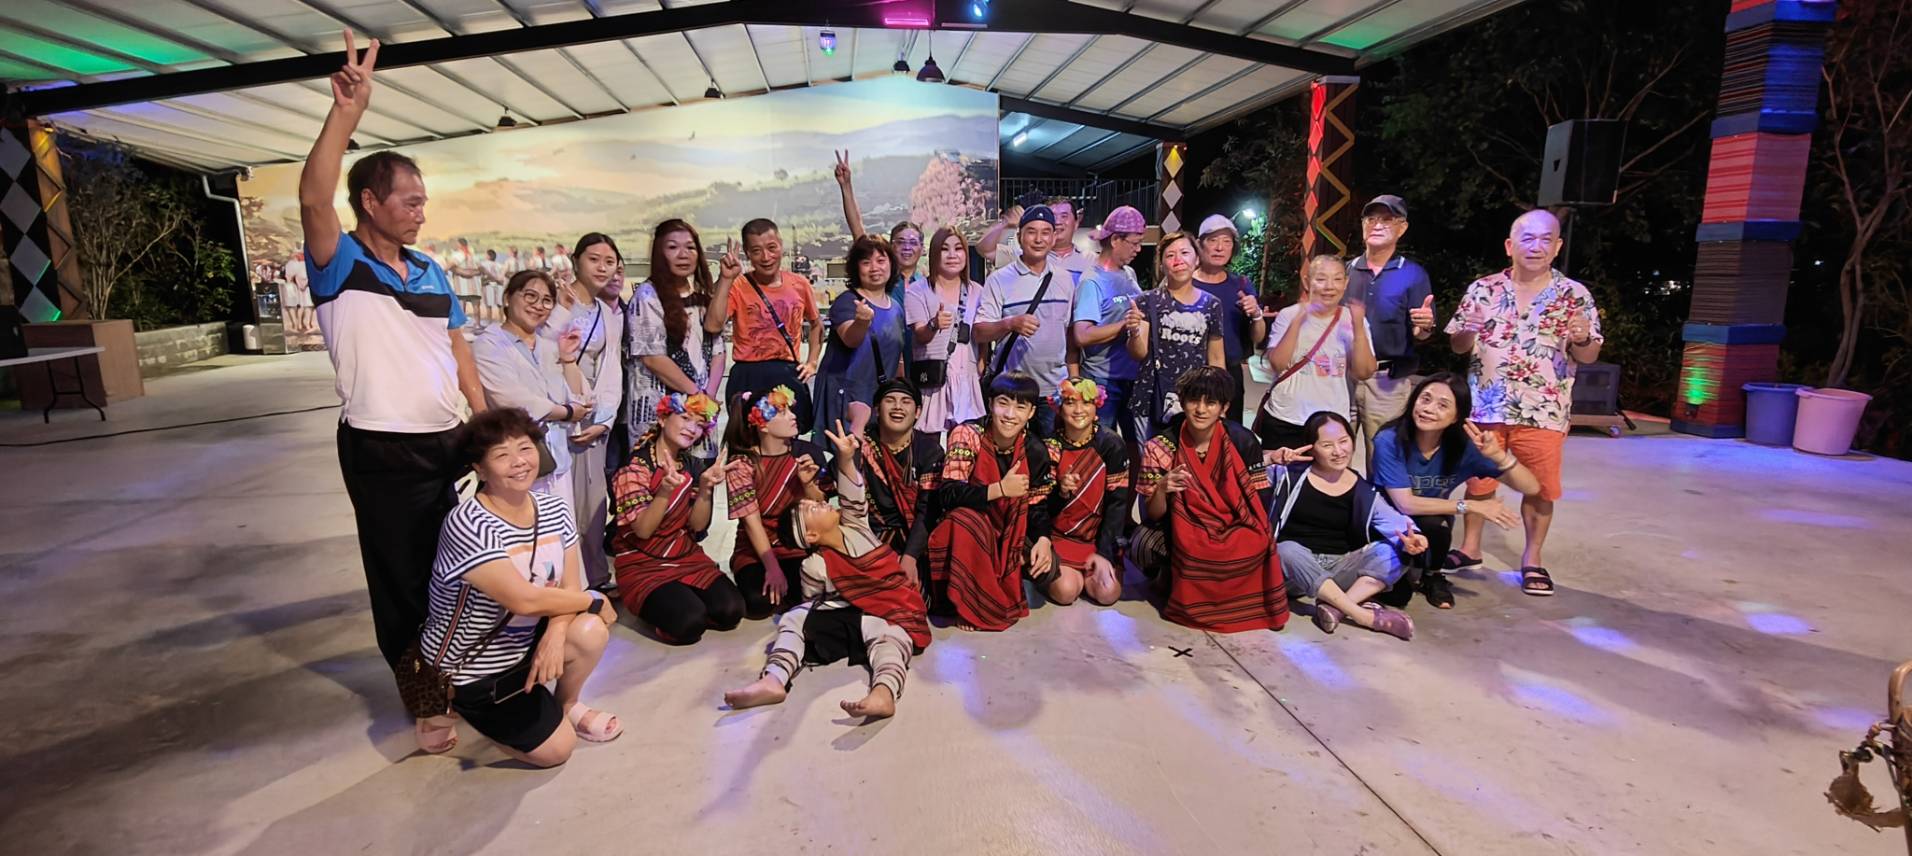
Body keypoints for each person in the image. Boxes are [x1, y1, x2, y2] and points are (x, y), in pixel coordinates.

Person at [298, 32, 487, 684]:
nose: (420, 213)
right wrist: (346, 114)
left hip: (448, 439)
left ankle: (464, 669)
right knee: (401, 575)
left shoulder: (429, 268)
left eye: (423, 202)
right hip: (381, 445)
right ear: (370, 203)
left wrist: (482, 418)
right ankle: (423, 692)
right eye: (410, 201)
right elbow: (313, 199)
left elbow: (455, 343)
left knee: (460, 561)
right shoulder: (338, 262)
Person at [412, 408, 620, 763]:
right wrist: (593, 600)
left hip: (524, 643)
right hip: (472, 665)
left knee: (589, 631)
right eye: (501, 455)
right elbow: (524, 601)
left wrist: (556, 634)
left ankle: (566, 705)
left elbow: (568, 588)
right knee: (557, 751)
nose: (519, 462)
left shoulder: (554, 510)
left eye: (525, 448)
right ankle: (448, 706)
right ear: (479, 469)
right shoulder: (469, 523)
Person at [722, 419, 932, 721]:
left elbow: (852, 493)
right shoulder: (815, 565)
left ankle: (883, 693)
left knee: (891, 636)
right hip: (849, 617)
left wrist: (846, 458)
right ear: (810, 535)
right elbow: (817, 600)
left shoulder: (856, 526)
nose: (818, 503)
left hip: (891, 612)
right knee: (795, 618)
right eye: (811, 509)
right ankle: (774, 679)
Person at [1445, 209, 1603, 596]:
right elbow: (1458, 345)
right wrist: (1468, 331)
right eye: (1527, 238)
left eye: (1546, 239)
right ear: (1509, 245)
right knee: (1479, 480)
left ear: (1557, 246)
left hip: (1544, 410)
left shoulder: (1575, 295)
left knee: (1541, 488)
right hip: (1485, 406)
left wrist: (1582, 338)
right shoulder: (1483, 289)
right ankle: (1470, 548)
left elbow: (1589, 355)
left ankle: (1532, 558)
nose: (1536, 246)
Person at [1129, 367, 1289, 633]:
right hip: (1180, 528)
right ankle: (1170, 578)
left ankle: (1233, 599)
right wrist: (1162, 489)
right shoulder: (1159, 447)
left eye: (1211, 402)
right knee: (1142, 544)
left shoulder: (1243, 441)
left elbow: (1257, 501)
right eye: (1194, 400)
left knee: (1258, 541)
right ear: (1182, 402)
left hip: (1234, 523)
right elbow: (1153, 515)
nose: (1201, 410)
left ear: (1224, 408)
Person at [1370, 372, 1543, 609]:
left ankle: (1432, 575)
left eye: (1443, 405)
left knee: (1437, 524)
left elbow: (1531, 487)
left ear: (1456, 417)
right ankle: (1404, 569)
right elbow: (1405, 504)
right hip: (1385, 521)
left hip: (1430, 521)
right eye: (1425, 399)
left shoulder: (1462, 447)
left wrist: (1499, 456)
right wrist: (1471, 505)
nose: (1429, 409)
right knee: (1397, 596)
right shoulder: (1389, 440)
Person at [1270, 411, 1425, 641]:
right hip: (1294, 571)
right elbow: (1241, 470)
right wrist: (1270, 458)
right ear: (1312, 448)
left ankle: (1337, 609)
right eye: (1327, 445)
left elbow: (1397, 524)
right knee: (1286, 550)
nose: (1338, 451)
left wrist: (1415, 539)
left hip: (1339, 567)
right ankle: (1364, 616)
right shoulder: (1288, 475)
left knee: (1394, 551)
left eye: (1343, 441)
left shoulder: (1362, 489)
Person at [610, 392, 743, 643]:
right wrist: (664, 492)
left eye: (699, 424)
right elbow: (643, 531)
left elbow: (697, 526)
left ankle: (679, 595)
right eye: (685, 418)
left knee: (731, 611)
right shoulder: (635, 468)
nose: (692, 429)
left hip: (684, 556)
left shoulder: (692, 465)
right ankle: (656, 604)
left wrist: (705, 489)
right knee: (690, 623)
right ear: (662, 419)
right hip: (643, 564)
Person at [928, 372, 1057, 631]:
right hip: (969, 530)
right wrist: (999, 490)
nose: (1010, 415)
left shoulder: (1035, 450)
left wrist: (1044, 539)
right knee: (965, 520)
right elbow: (948, 494)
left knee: (1048, 572)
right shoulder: (967, 434)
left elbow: (1037, 505)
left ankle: (1000, 577)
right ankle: (967, 603)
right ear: (990, 404)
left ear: (1031, 413)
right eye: (1003, 403)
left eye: (1020, 407)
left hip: (1009, 530)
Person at [471, 271, 591, 509]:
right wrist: (566, 412)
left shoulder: (548, 346)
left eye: (546, 300)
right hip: (516, 465)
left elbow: (582, 396)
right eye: (530, 296)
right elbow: (513, 400)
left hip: (556, 461)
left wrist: (568, 360)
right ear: (508, 298)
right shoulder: (488, 345)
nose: (538, 305)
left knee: (559, 527)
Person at [626, 219, 731, 466]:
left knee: (700, 479)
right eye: (673, 247)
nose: (683, 255)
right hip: (660, 413)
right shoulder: (647, 296)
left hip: (700, 413)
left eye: (690, 247)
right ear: (659, 253)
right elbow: (652, 358)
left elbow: (718, 349)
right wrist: (696, 396)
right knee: (661, 478)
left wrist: (708, 398)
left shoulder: (702, 296)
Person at [556, 233, 626, 590]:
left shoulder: (607, 315)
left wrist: (604, 421)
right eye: (594, 259)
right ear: (576, 260)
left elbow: (611, 373)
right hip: (556, 417)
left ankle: (594, 577)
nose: (602, 267)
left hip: (592, 421)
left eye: (609, 261)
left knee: (593, 503)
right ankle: (560, 583)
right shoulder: (556, 303)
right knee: (557, 502)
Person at [725, 386, 832, 618]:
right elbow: (751, 523)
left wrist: (807, 485)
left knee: (815, 593)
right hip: (756, 549)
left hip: (797, 543)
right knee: (758, 603)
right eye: (783, 412)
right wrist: (772, 568)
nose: (793, 416)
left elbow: (822, 507)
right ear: (762, 424)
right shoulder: (742, 464)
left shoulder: (806, 453)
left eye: (790, 410)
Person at [1257, 255, 1376, 455]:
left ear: (1346, 283)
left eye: (1337, 279)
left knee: (1328, 474)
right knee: (1279, 473)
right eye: (1321, 279)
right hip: (1286, 417)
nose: (1329, 286)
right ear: (1307, 282)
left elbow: (1364, 372)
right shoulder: (1289, 314)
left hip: (1332, 422)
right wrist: (1298, 321)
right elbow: (1277, 364)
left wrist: (1357, 327)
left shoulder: (1356, 320)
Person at [1347, 195, 1436, 457]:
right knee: (1332, 456)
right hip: (1342, 378)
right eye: (1371, 219)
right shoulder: (1346, 271)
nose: (1377, 225)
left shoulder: (1413, 274)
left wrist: (1424, 326)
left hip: (1388, 383)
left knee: (1384, 458)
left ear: (1402, 227)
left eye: (1387, 219)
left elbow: (1422, 333)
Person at [976, 205, 1075, 436]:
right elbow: (979, 332)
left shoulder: (1065, 279)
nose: (1038, 239)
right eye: (1031, 232)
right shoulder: (999, 279)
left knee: (1051, 452)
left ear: (1053, 237)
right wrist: (1010, 324)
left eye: (1045, 232)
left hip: (1054, 391)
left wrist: (1073, 379)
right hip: (1012, 389)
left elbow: (1069, 336)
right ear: (1020, 237)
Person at [835, 379, 942, 588]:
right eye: (890, 400)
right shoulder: (863, 442)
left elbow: (928, 509)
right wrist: (858, 426)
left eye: (906, 402)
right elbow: (839, 484)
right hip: (868, 537)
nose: (898, 407)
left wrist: (910, 556)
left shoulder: (929, 450)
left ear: (917, 412)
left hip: (914, 539)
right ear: (877, 409)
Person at [720, 218, 821, 430]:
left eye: (772, 248)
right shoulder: (737, 285)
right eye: (756, 251)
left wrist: (812, 362)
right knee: (747, 438)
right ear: (747, 253)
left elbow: (816, 324)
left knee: (787, 438)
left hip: (786, 373)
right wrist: (724, 280)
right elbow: (714, 324)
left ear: (781, 246)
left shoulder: (799, 284)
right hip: (747, 375)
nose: (766, 257)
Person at [1126, 230, 1225, 440]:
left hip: (1196, 399)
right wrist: (1134, 331)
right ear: (1162, 265)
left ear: (1196, 260)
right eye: (1170, 255)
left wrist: (1219, 398)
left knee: (1190, 456)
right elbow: (1138, 353)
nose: (1178, 260)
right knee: (1152, 458)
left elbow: (1216, 357)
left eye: (1185, 253)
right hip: (1151, 397)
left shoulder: (1212, 304)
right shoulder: (1146, 301)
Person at [813, 234, 908, 445]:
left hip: (878, 395)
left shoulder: (896, 307)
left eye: (881, 261)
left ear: (891, 264)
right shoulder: (847, 302)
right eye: (866, 262)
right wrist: (862, 321)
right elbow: (850, 339)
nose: (874, 268)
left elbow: (896, 354)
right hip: (845, 398)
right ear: (856, 268)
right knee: (845, 455)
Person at [1042, 378, 1129, 606]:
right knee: (1066, 592)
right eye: (1070, 403)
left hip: (1097, 539)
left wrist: (1105, 553)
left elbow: (1117, 504)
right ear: (1059, 408)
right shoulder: (1049, 446)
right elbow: (1040, 507)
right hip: (1059, 537)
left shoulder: (1112, 445)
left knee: (1108, 594)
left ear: (1097, 406)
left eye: (1087, 402)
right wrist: (1060, 491)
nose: (1079, 410)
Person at [1069, 205, 1146, 446]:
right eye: (1134, 243)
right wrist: (1126, 325)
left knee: (1137, 446)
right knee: (1102, 447)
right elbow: (1082, 335)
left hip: (1132, 377)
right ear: (1115, 240)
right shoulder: (1092, 281)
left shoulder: (1129, 274)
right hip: (1103, 381)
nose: (1138, 249)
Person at [905, 226, 986, 434]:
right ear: (934, 254)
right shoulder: (917, 291)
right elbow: (920, 335)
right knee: (929, 443)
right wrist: (934, 324)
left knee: (965, 443)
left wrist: (982, 360)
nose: (952, 255)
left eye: (958, 248)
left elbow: (981, 331)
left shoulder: (977, 291)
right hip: (933, 380)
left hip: (967, 380)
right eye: (944, 249)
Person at [1193, 215, 1267, 420]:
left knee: (1229, 433)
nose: (1220, 248)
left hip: (1230, 373)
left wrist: (1256, 314)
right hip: (1190, 371)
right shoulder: (1184, 283)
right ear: (1199, 245)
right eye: (1213, 240)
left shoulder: (1241, 285)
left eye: (1227, 242)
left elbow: (1258, 337)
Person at [833, 150, 925, 302]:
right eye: (900, 242)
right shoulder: (881, 278)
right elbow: (858, 229)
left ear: (922, 248)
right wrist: (846, 186)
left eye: (913, 242)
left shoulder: (926, 285)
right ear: (891, 247)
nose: (907, 247)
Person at [447, 237, 483, 325]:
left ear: (459, 244)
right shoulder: (473, 256)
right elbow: (481, 269)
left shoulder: (458, 255)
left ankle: (462, 325)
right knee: (476, 306)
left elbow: (451, 265)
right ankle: (478, 324)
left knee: (462, 306)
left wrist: (443, 270)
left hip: (462, 285)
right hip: (474, 285)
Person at [479, 249, 506, 327]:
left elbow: (481, 276)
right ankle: (501, 321)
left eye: (486, 254)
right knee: (500, 304)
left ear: (488, 256)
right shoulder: (499, 265)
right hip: (498, 285)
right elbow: (502, 276)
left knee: (489, 305)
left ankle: (489, 322)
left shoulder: (483, 264)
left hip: (488, 285)